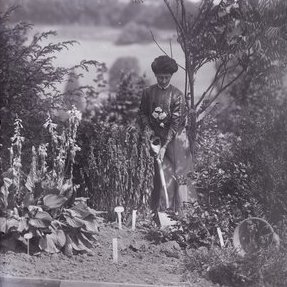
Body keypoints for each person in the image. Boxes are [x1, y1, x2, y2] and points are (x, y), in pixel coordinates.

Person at [138, 55, 193, 215]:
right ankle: (160, 211)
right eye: (160, 77)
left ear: (171, 76)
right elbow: (142, 114)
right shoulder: (148, 92)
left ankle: (183, 212)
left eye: (166, 77)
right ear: (155, 76)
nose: (163, 80)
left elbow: (176, 123)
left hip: (176, 141)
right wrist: (149, 132)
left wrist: (164, 146)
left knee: (179, 174)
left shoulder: (177, 95)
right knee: (160, 175)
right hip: (155, 139)